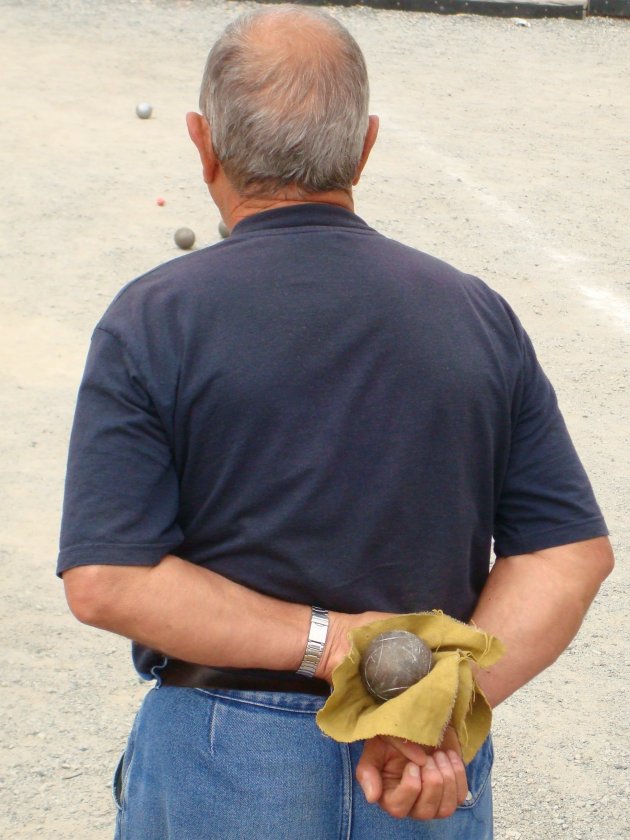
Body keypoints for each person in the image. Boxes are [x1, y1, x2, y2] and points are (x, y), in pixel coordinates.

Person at [57, 6, 613, 839]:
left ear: (202, 143)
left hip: (223, 756)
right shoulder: (473, 314)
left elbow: (107, 577)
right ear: (366, 146)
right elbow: (568, 553)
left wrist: (323, 643)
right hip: (423, 765)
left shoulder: (154, 318)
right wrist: (433, 704)